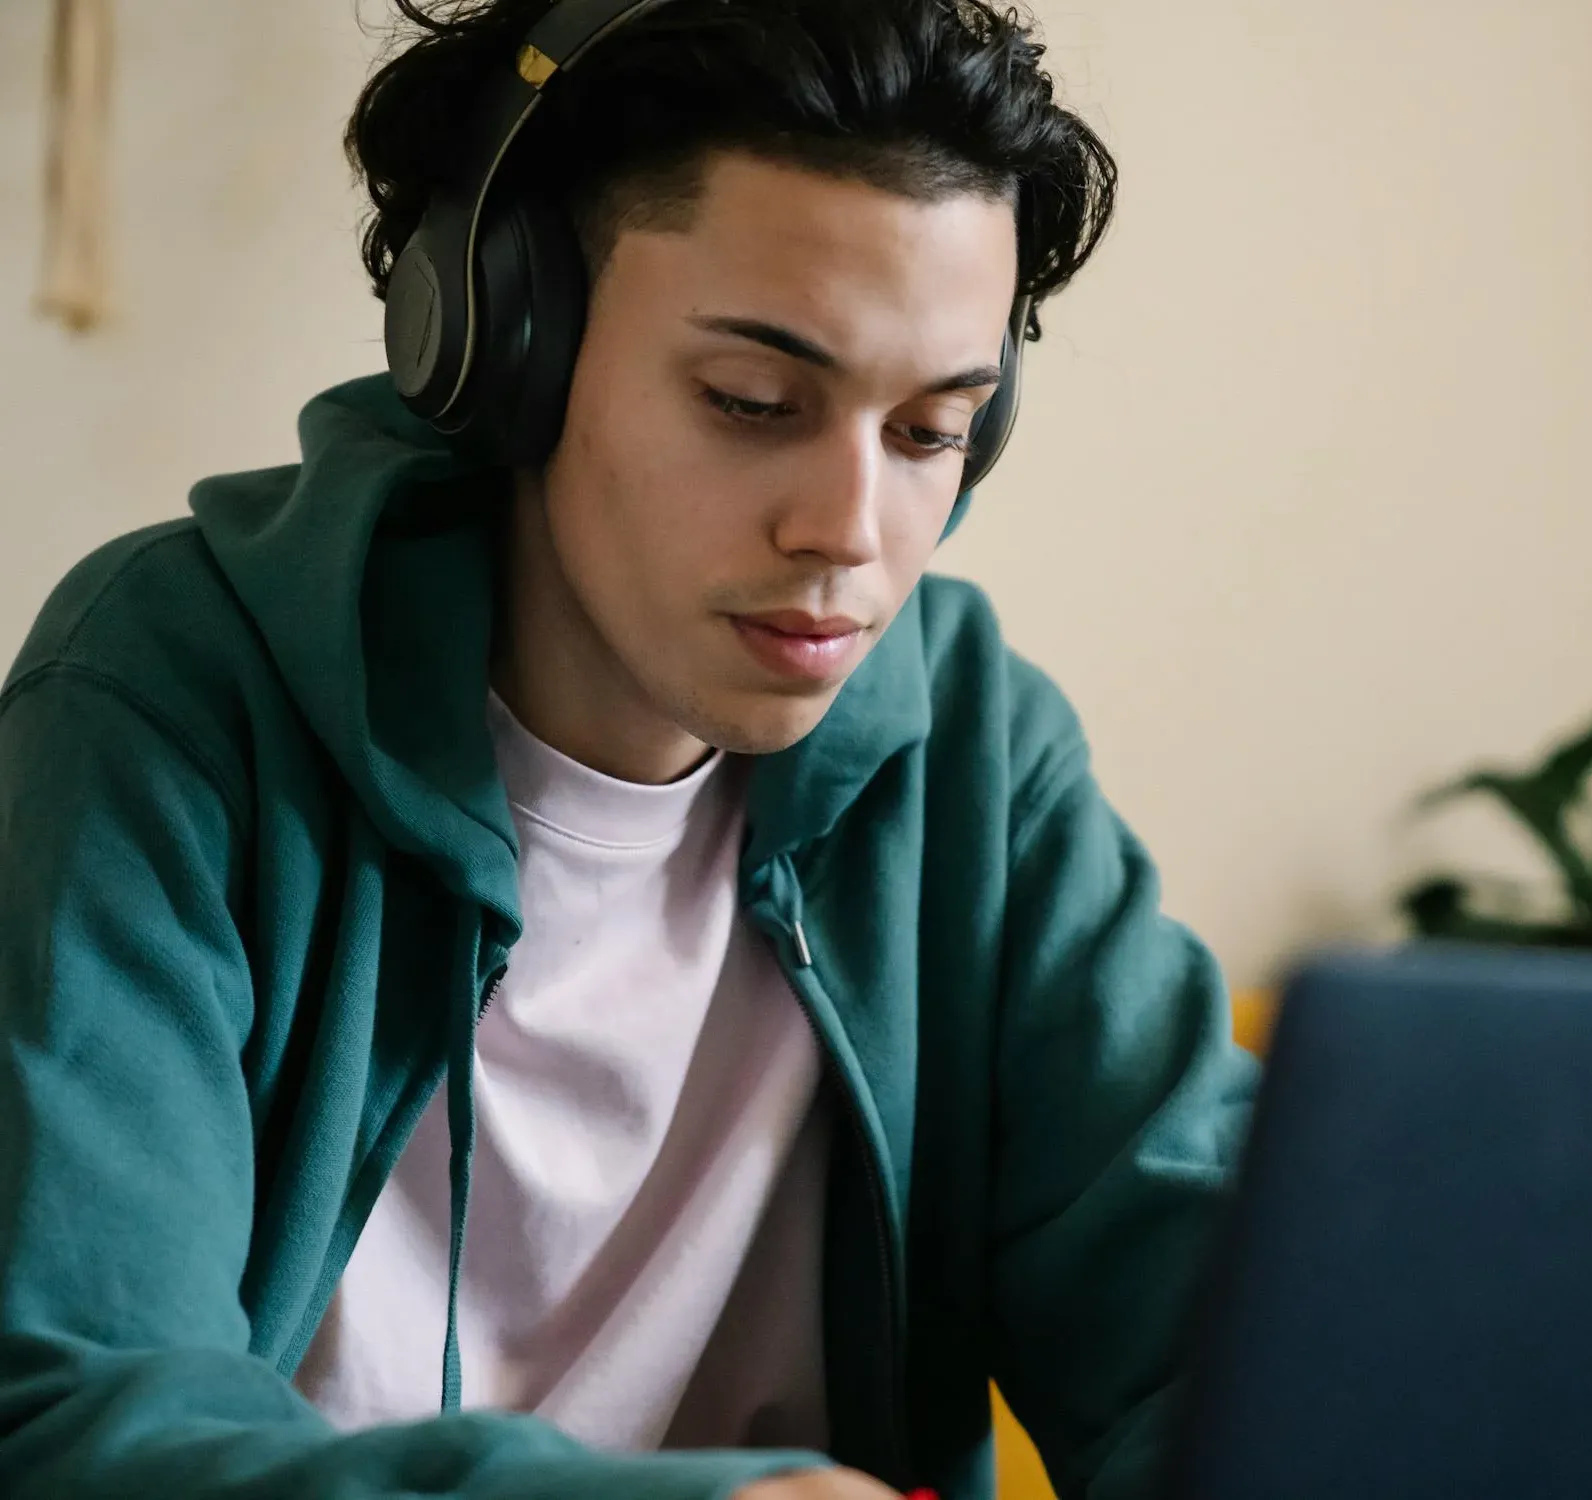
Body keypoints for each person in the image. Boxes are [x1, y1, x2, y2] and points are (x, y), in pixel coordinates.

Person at [0, 1, 1256, 1497]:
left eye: (928, 433)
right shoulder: (171, 695)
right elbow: (74, 1415)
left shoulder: (974, 744)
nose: (847, 534)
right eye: (751, 402)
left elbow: (1225, 1338)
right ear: (505, 346)